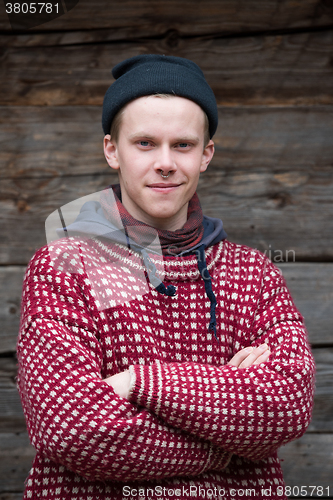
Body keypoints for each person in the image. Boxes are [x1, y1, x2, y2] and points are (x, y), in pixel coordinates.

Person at [17, 54, 315, 500]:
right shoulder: (64, 268)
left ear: (206, 155)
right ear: (111, 150)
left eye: (182, 145)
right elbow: (73, 430)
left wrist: (139, 382)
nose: (165, 163)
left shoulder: (253, 274)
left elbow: (288, 403)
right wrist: (227, 447)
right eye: (144, 143)